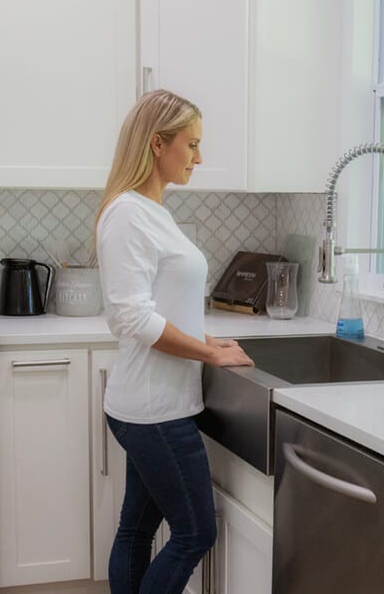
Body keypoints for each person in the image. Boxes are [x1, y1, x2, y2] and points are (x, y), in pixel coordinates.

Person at [94, 89, 254, 594]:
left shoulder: (152, 210)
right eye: (192, 144)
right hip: (153, 409)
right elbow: (133, 317)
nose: (200, 158)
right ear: (158, 144)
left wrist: (208, 338)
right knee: (194, 532)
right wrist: (207, 352)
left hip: (156, 405)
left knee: (137, 529)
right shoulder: (127, 214)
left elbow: (163, 304)